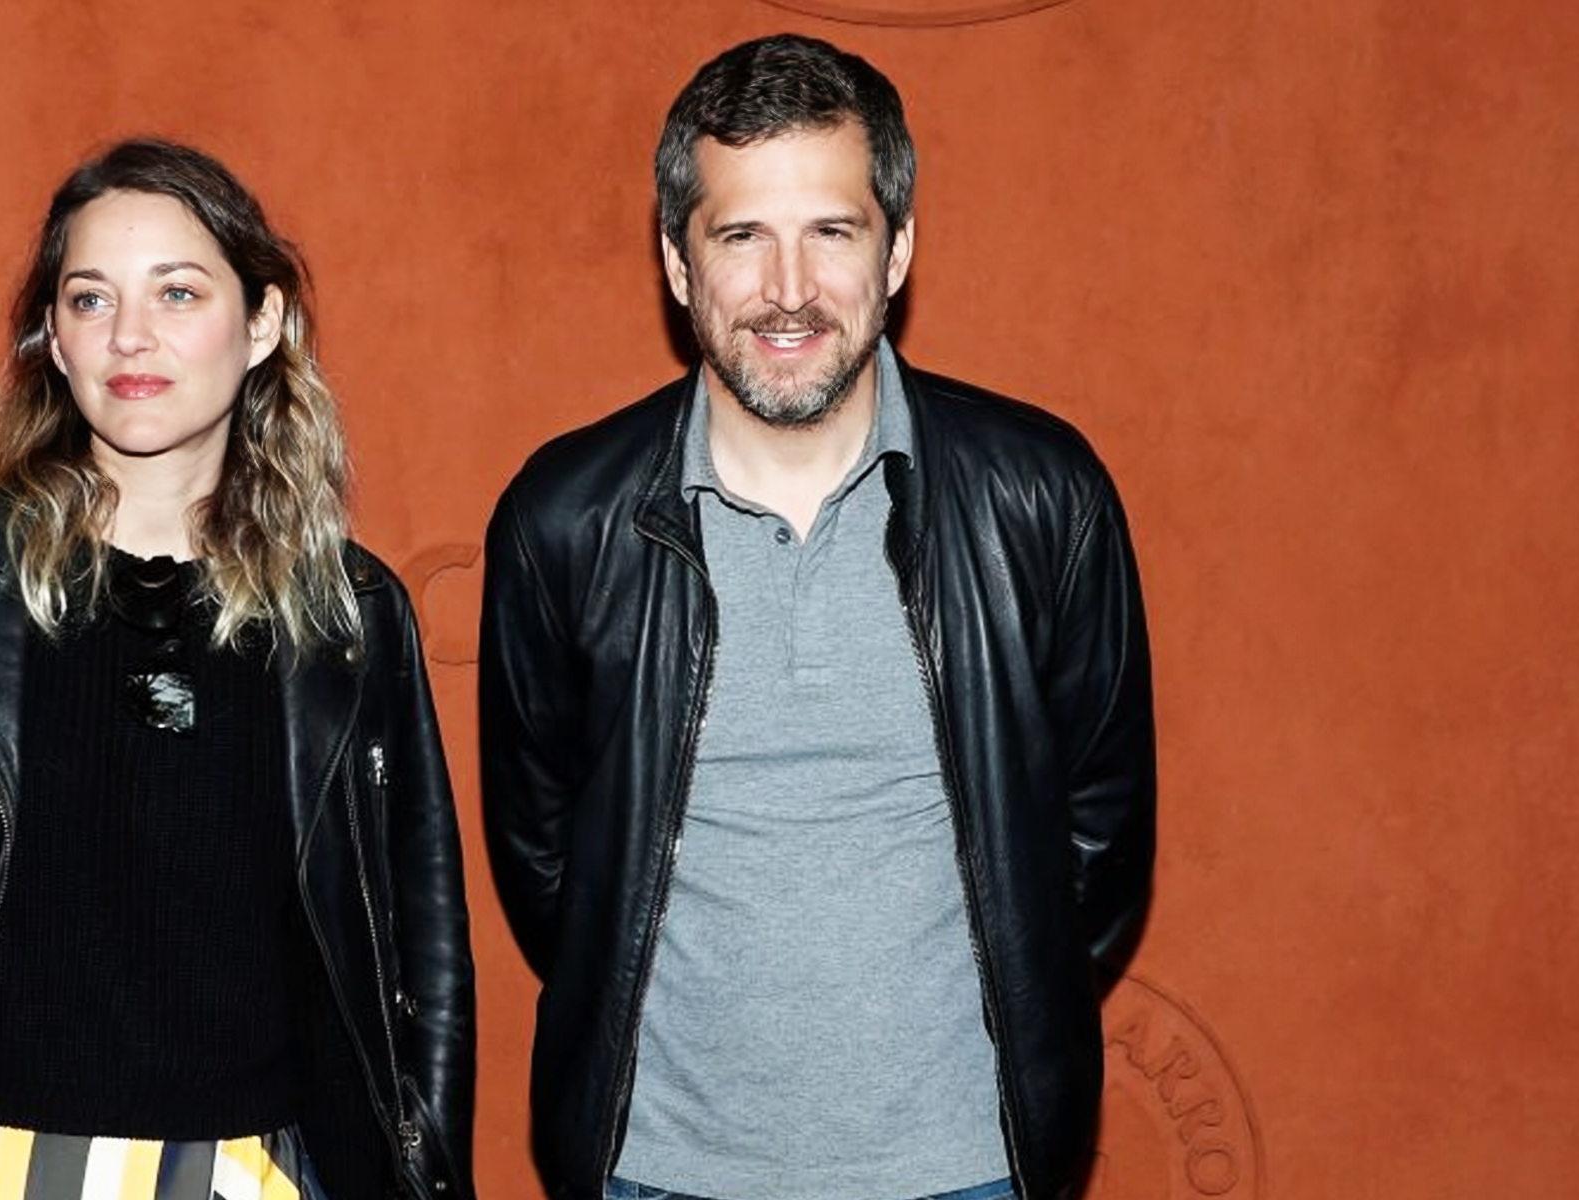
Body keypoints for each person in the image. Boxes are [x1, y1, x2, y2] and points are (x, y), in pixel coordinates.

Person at [0, 138, 475, 1200]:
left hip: (239, 1175)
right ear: (54, 341)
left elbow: (419, 960)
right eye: (90, 299)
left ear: (263, 323)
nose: (131, 337)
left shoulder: (350, 617)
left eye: (178, 291)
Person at [479, 34, 1154, 1200]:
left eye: (831, 233)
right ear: (678, 265)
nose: (788, 291)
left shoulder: (1042, 496)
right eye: (741, 236)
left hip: (965, 1171)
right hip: (660, 1171)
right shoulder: (563, 519)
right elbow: (548, 862)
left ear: (896, 251)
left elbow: (1096, 842)